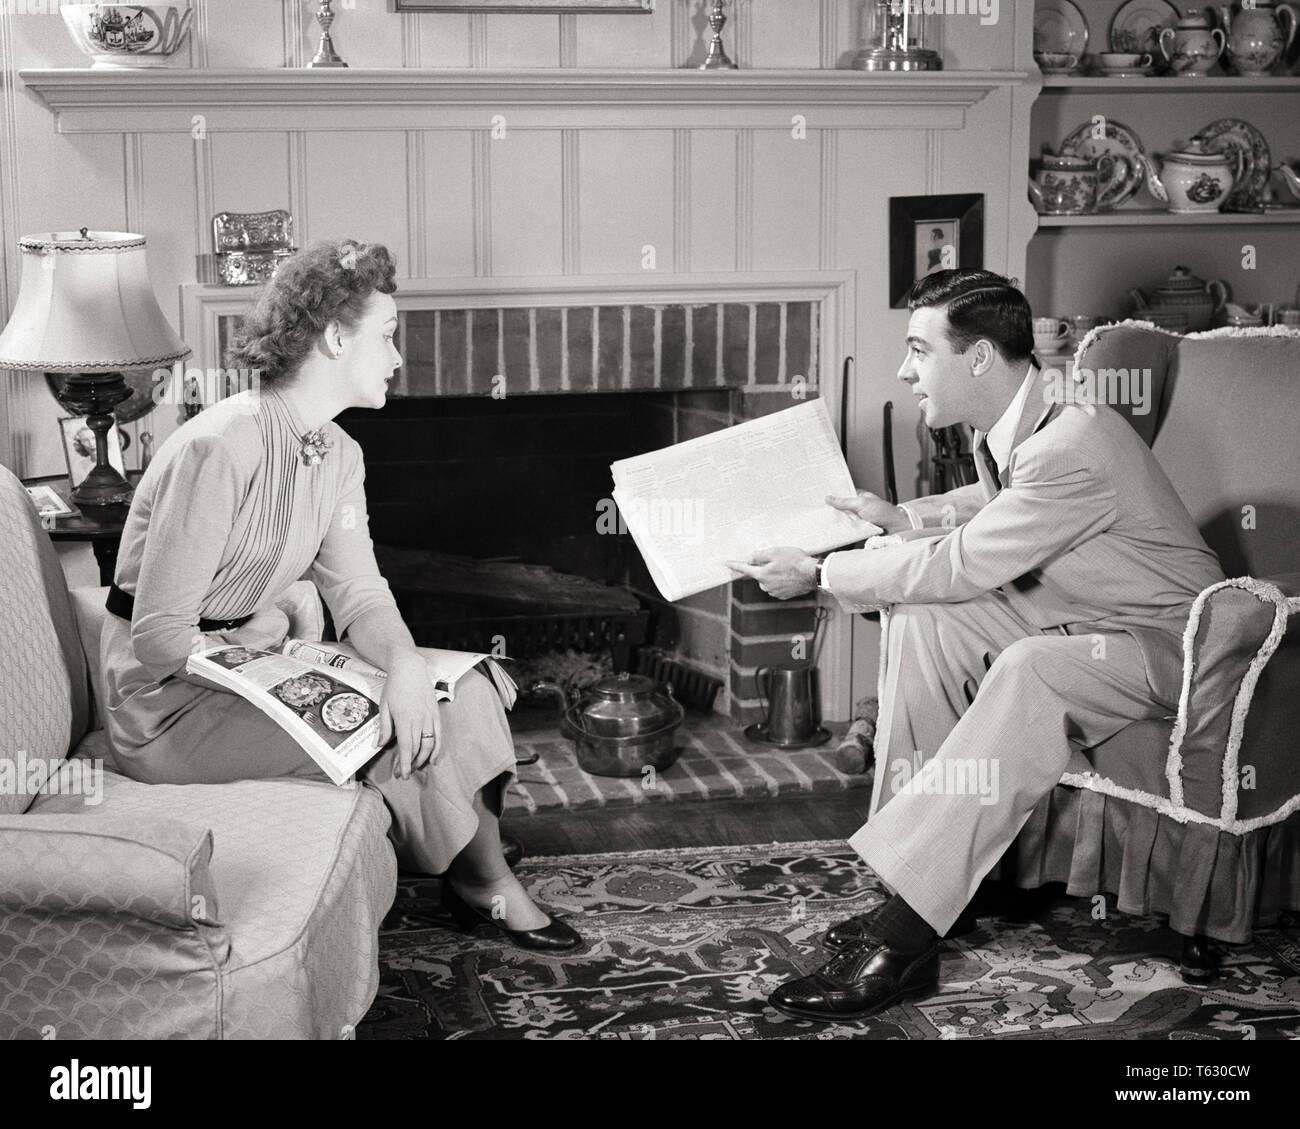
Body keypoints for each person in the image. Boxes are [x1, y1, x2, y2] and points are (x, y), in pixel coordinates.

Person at [728, 269, 1224, 1021]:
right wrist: (901, 515)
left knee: (1028, 667)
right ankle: (916, 890)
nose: (905, 370)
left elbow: (965, 560)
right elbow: (997, 505)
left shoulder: (1074, 441)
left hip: (1172, 649)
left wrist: (823, 572)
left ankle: (905, 936)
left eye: (919, 351)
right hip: (1087, 615)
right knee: (929, 619)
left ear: (981, 357)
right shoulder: (1036, 416)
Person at [100, 239, 581, 952]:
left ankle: (469, 863)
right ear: (334, 337)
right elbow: (159, 639)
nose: (395, 357)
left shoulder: (340, 453)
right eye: (386, 337)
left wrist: (410, 667)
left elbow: (359, 592)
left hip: (246, 668)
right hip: (165, 702)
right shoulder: (220, 447)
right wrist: (266, 624)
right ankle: (482, 877)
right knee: (381, 722)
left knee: (457, 688)